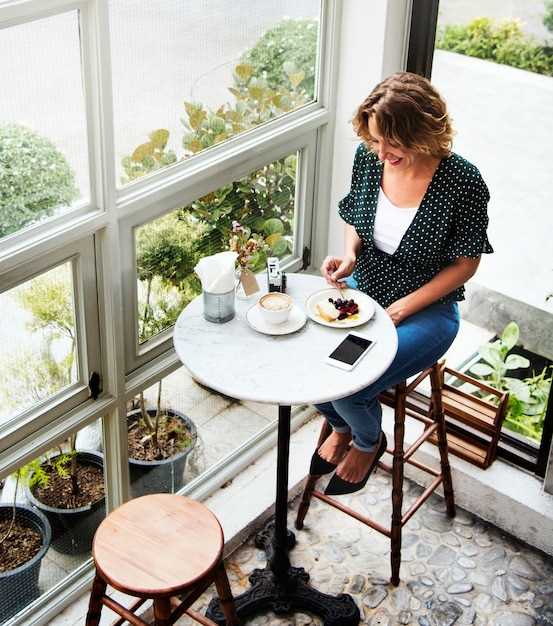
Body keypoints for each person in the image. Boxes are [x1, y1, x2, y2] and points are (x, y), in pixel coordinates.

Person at [313, 72, 493, 496]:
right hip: (366, 295)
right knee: (317, 374)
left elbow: (467, 264)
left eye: (391, 143)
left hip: (426, 312)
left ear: (423, 132)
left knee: (350, 386)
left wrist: (400, 309)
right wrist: (351, 254)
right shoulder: (369, 158)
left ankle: (367, 441)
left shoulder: (463, 182)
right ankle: (341, 428)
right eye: (375, 141)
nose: (381, 153)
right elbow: (355, 217)